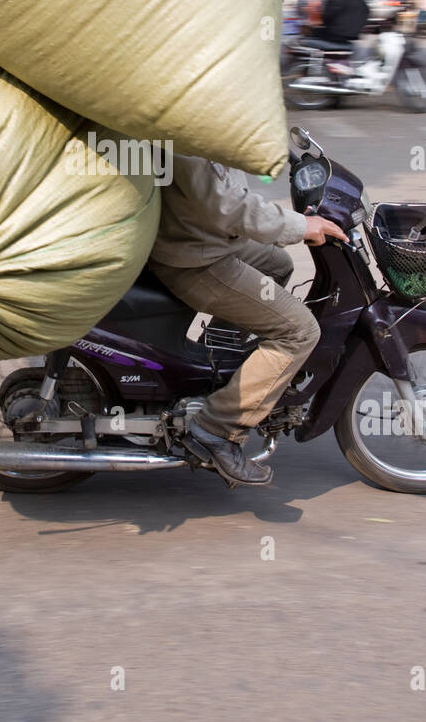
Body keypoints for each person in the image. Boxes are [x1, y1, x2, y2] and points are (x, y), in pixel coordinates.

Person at [148, 155, 347, 486]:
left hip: (205, 238)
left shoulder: (202, 114)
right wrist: (299, 226)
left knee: (277, 264)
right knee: (300, 331)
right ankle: (216, 429)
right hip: (195, 261)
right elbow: (229, 206)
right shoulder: (186, 132)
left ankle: (216, 372)